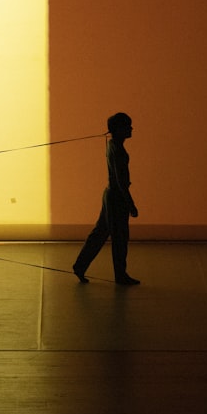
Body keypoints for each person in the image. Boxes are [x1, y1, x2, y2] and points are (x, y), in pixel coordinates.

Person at [72, 112, 141, 285]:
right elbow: (120, 181)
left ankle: (80, 266)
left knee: (100, 233)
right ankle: (120, 275)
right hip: (117, 198)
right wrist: (130, 203)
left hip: (111, 195)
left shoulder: (113, 145)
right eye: (128, 126)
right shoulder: (117, 149)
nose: (131, 129)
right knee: (119, 238)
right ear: (118, 129)